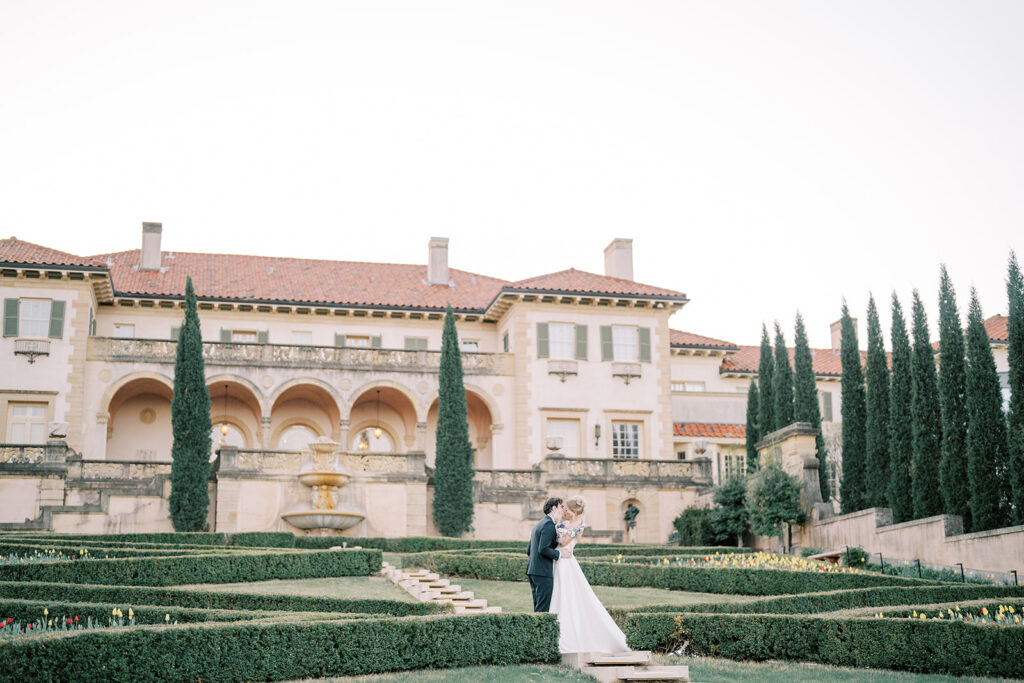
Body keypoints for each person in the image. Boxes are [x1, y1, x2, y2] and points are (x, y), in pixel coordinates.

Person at [549, 495, 629, 654]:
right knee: (558, 593)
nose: (563, 510)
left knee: (566, 594)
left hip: (566, 562)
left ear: (572, 511)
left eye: (566, 508)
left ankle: (566, 636)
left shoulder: (578, 524)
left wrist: (557, 530)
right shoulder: (566, 523)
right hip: (559, 560)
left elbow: (564, 542)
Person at [525, 497, 564, 612]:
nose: (562, 511)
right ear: (553, 508)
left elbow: (529, 550)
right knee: (543, 608)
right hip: (542, 572)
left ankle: (534, 629)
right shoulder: (548, 524)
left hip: (533, 570)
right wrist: (560, 554)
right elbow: (543, 549)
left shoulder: (540, 523)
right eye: (560, 507)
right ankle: (539, 630)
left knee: (538, 606)